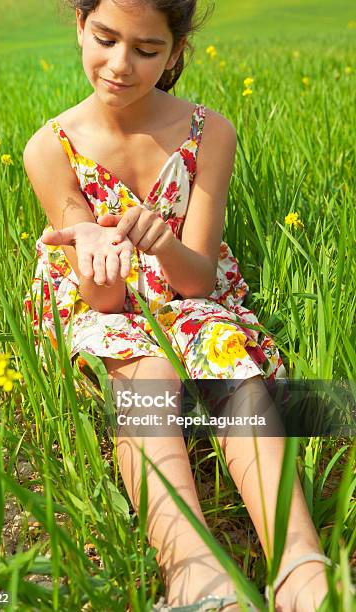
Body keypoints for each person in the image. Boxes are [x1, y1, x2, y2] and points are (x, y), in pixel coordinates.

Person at [22, 1, 334, 610]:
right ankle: (193, 570)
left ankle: (300, 562)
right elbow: (105, 302)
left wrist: (162, 242)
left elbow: (198, 282)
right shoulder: (49, 147)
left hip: (187, 290)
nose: (119, 65)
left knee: (226, 357)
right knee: (144, 367)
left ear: (176, 51)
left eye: (146, 50)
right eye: (106, 38)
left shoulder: (208, 131)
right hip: (104, 314)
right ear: (80, 24)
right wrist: (92, 248)